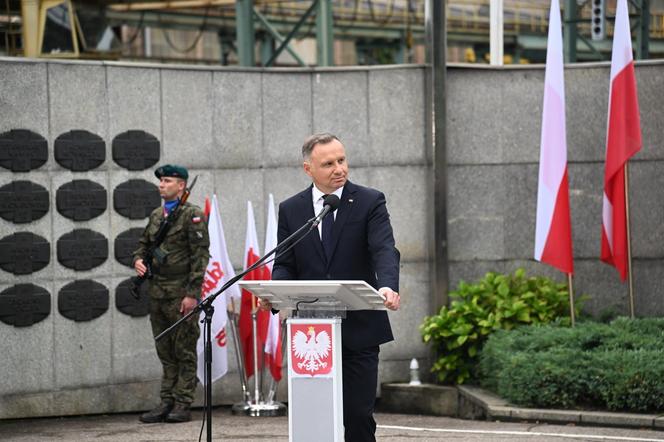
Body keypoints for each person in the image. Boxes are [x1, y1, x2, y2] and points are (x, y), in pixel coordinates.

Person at [267, 133, 401, 442]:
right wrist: (278, 295)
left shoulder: (370, 200)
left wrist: (388, 286)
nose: (339, 168)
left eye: (341, 160)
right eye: (328, 163)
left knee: (357, 414)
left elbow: (384, 249)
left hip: (360, 327)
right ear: (308, 169)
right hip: (311, 333)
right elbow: (285, 262)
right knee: (312, 414)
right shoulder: (292, 209)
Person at [132, 164, 210, 424]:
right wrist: (139, 261)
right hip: (158, 293)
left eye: (166, 181)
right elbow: (143, 245)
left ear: (181, 186)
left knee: (184, 350)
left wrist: (192, 294)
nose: (161, 185)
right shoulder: (156, 215)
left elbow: (200, 258)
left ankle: (182, 402)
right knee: (164, 350)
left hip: (181, 295)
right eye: (161, 181)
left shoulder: (192, 215)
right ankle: (166, 400)